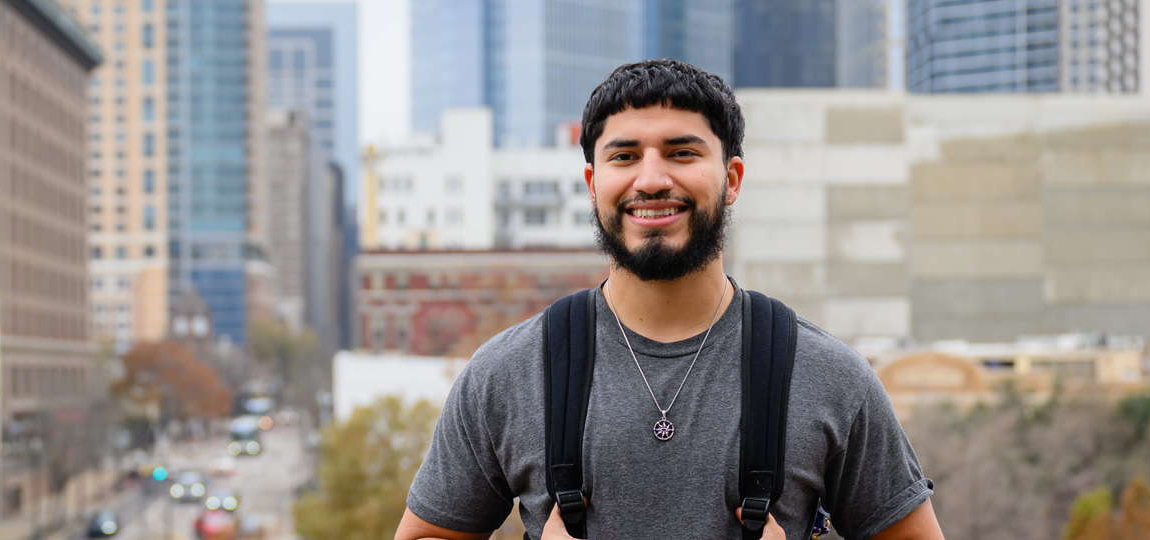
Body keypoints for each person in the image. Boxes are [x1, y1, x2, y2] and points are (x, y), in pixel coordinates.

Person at [393, 59, 944, 540]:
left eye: (682, 153)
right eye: (624, 156)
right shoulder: (507, 372)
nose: (652, 180)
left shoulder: (829, 376)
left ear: (731, 179)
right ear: (592, 182)